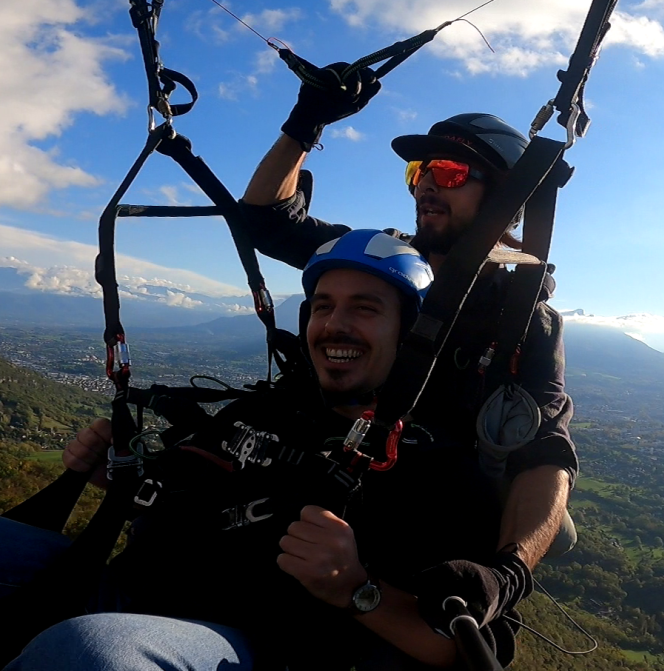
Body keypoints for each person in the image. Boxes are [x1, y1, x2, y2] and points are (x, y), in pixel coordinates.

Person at [2, 231, 529, 671]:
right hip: (133, 585)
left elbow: (471, 651)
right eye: (323, 307)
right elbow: (187, 490)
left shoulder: (439, 469)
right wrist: (115, 475)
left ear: (413, 338)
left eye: (365, 309)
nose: (335, 325)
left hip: (250, 644)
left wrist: (356, 589)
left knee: (90, 653)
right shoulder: (269, 410)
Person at [240, 85, 579, 575]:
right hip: (330, 469)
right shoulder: (374, 257)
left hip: (431, 502)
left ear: (504, 197)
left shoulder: (522, 318)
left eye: (449, 172)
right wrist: (303, 124)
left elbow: (547, 452)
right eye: (418, 172)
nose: (425, 185)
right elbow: (265, 221)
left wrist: (508, 574)